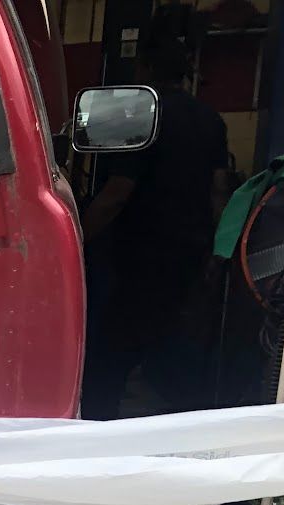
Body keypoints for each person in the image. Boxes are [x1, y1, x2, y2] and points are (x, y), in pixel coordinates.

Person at [80, 37, 231, 418]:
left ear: (144, 69)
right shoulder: (210, 118)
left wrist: (76, 237)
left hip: (140, 249)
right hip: (189, 246)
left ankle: (98, 421)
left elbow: (118, 192)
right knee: (174, 330)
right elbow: (218, 189)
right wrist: (217, 248)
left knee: (113, 345)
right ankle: (181, 415)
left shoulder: (138, 115)